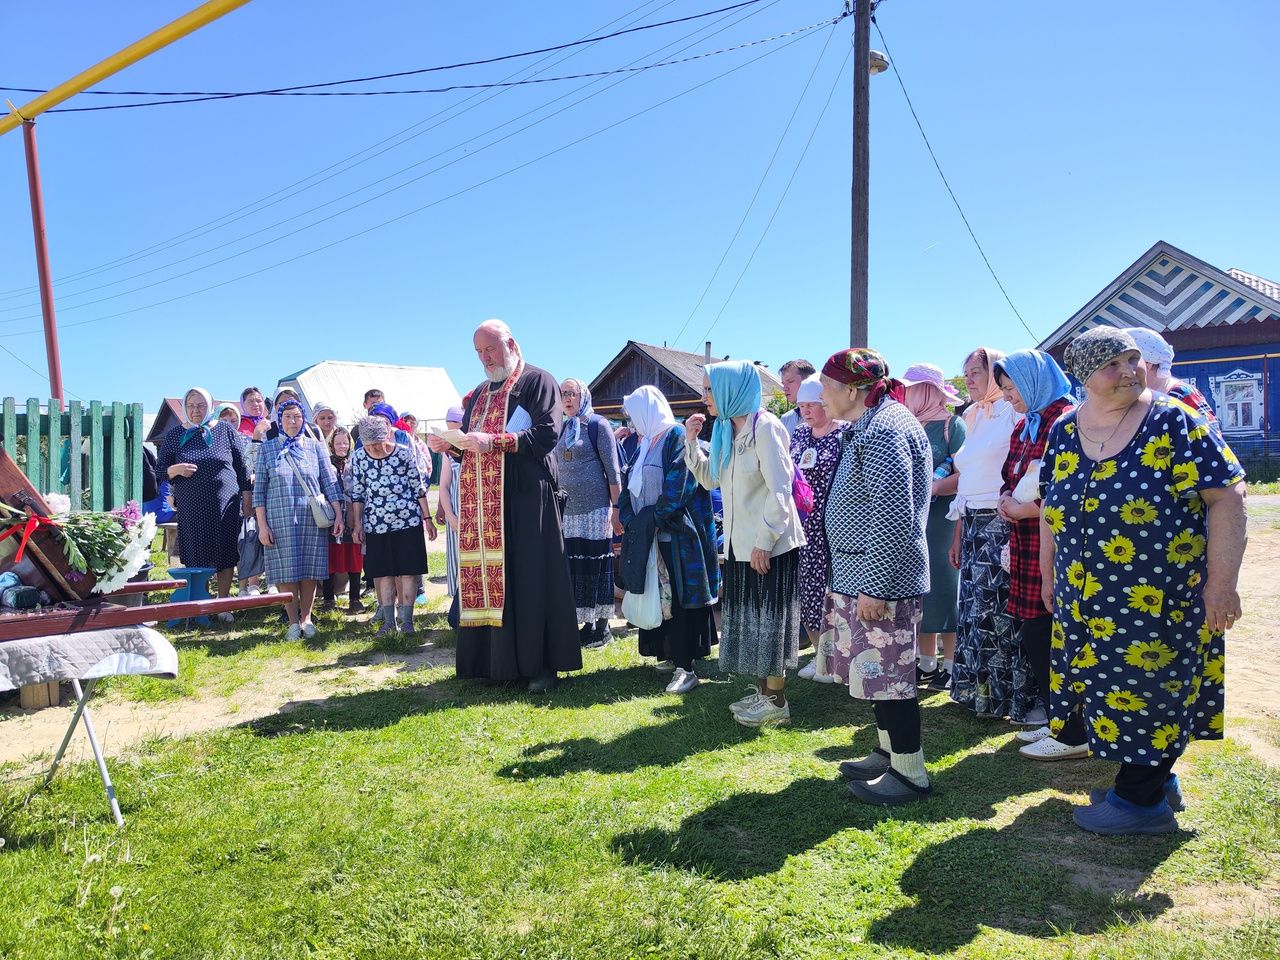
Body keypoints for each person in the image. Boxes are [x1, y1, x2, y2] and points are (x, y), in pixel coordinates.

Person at [1041, 327, 1246, 835]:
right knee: (1105, 687)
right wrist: (1048, 573)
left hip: (1159, 595)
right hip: (1084, 596)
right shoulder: (1064, 430)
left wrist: (1222, 584)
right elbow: (1050, 507)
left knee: (1154, 687)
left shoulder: (1173, 421)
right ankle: (1153, 780)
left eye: (1133, 359)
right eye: (1112, 364)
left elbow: (1228, 495)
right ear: (1084, 375)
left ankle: (1140, 802)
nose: (1129, 371)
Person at [425, 320, 581, 692]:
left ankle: (540, 665)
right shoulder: (479, 393)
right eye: (479, 352)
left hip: (526, 497)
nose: (485, 358)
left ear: (509, 344)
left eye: (490, 349)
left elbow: (546, 434)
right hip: (483, 501)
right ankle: (495, 664)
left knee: (530, 577)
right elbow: (471, 442)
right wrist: (451, 446)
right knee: (492, 578)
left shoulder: (538, 381)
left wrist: (494, 442)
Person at [818, 349, 934, 806]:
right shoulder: (874, 422)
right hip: (862, 575)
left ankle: (910, 773)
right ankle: (888, 753)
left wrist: (875, 586)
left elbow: (893, 513)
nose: (821, 396)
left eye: (826, 387)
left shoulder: (886, 428)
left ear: (851, 389)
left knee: (893, 680)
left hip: (881, 581)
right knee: (877, 676)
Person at [684, 360, 805, 728]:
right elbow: (709, 480)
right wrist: (691, 442)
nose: (704, 397)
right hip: (742, 546)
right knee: (755, 622)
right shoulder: (728, 430)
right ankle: (764, 693)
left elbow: (780, 490)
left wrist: (764, 542)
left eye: (709, 390)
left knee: (771, 621)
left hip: (770, 545)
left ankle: (777, 703)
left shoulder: (765, 428)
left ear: (730, 390)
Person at [986, 350, 1082, 759]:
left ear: (1034, 382)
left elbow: (1069, 490)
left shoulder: (1066, 421)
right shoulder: (1027, 425)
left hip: (1056, 544)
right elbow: (1010, 475)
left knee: (1052, 635)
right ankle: (1059, 720)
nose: (1008, 397)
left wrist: (1024, 508)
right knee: (1036, 633)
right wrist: (1006, 498)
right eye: (1004, 389)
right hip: (1026, 543)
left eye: (1012, 388)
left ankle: (1073, 730)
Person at [616, 386, 720, 693]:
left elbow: (680, 485)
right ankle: (668, 653)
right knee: (662, 597)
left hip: (676, 535)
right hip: (652, 534)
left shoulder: (675, 436)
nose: (631, 421)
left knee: (679, 600)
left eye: (634, 414)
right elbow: (629, 484)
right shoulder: (645, 442)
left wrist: (652, 518)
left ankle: (685, 667)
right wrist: (630, 517)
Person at [947, 347, 1027, 720]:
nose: (969, 380)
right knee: (972, 610)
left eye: (976, 372)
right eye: (965, 373)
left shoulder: (1013, 412)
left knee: (996, 613)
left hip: (1000, 522)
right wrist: (958, 532)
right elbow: (967, 479)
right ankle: (976, 694)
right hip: (972, 523)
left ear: (995, 373)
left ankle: (1003, 697)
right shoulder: (972, 414)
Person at [156, 387, 252, 621]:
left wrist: (247, 500)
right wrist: (175, 469)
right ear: (184, 408)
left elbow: (242, 468)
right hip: (191, 506)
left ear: (209, 406)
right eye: (191, 406)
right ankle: (202, 603)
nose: (196, 410)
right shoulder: (175, 434)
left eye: (200, 405)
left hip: (224, 504)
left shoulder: (225, 430)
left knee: (225, 550)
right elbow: (159, 471)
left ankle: (223, 604)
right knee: (196, 551)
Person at [253, 400, 344, 638]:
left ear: (304, 420)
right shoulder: (268, 448)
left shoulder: (315, 447)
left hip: (311, 517)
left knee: (309, 569)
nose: (292, 421)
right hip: (279, 518)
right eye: (287, 417)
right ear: (279, 420)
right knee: (286, 570)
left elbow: (329, 483)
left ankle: (307, 619)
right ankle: (293, 622)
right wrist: (262, 525)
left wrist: (338, 515)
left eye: (297, 417)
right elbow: (259, 491)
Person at [900, 363, 966, 691]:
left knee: (945, 588)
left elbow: (966, 473)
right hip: (915, 520)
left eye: (911, 388)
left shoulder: (953, 425)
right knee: (921, 590)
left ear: (926, 391)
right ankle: (926, 663)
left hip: (943, 520)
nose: (905, 393)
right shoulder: (908, 425)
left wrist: (933, 487)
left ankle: (950, 665)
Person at [350, 415, 436, 635]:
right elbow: (358, 493)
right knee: (383, 573)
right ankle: (389, 623)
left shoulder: (404, 453)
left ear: (387, 435)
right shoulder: (359, 457)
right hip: (375, 524)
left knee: (408, 572)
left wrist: (427, 519)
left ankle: (407, 622)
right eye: (369, 446)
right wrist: (358, 525)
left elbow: (418, 488)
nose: (374, 449)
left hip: (408, 521)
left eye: (378, 444)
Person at [788, 373, 847, 682]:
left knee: (835, 591)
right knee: (808, 592)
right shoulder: (799, 433)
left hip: (836, 525)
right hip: (803, 527)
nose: (806, 411)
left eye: (812, 405)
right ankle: (819, 654)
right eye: (801, 406)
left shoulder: (845, 432)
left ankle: (840, 655)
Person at [557, 378, 622, 649]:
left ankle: (603, 628)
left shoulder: (598, 425)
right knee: (576, 567)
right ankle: (586, 625)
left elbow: (613, 472)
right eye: (563, 394)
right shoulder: (563, 428)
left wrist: (617, 510)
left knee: (597, 566)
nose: (567, 398)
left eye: (572, 393)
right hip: (569, 512)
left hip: (596, 510)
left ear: (583, 395)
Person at [1123, 327, 1219, 432]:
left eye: (1128, 363)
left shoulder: (1182, 394)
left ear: (1147, 364)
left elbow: (1212, 435)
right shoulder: (1132, 396)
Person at [323, 425, 364, 615]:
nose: (342, 446)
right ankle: (328, 599)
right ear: (331, 445)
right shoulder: (325, 464)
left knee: (354, 559)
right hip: (331, 519)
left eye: (345, 443)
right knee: (330, 560)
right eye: (338, 443)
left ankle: (355, 599)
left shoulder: (356, 462)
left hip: (354, 516)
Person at [433, 405, 466, 611]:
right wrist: (450, 514)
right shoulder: (448, 453)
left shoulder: (472, 446)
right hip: (456, 512)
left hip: (477, 513)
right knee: (456, 559)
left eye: (455, 427)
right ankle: (457, 606)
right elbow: (444, 485)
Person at [778, 359, 816, 439]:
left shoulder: (831, 416)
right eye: (783, 384)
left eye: (790, 381)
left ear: (808, 381)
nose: (785, 388)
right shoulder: (786, 419)